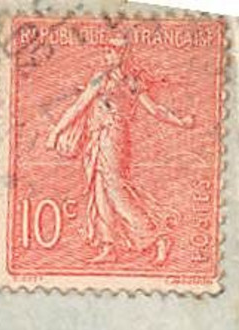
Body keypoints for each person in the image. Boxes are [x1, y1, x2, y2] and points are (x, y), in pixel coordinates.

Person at [45, 33, 195, 265]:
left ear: (123, 54)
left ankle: (156, 238)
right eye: (106, 51)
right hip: (102, 136)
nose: (107, 55)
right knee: (100, 189)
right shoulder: (121, 80)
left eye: (112, 51)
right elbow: (82, 105)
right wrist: (180, 121)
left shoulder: (113, 79)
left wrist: (56, 131)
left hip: (110, 137)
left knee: (115, 189)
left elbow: (80, 106)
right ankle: (109, 246)